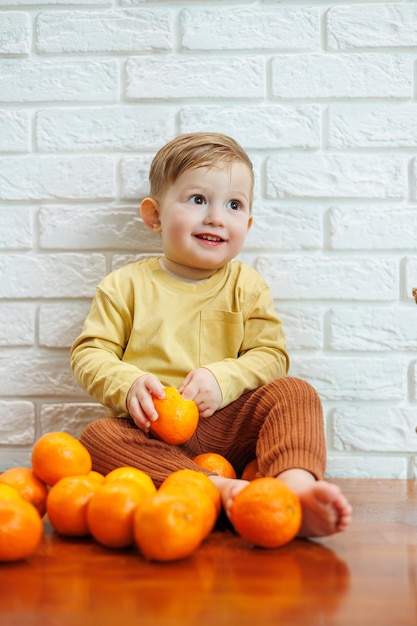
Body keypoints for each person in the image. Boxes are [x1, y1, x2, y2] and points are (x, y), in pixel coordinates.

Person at [71, 132, 352, 537]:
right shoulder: (124, 285)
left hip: (228, 425)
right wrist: (127, 384)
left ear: (248, 223)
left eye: (234, 205)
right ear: (154, 215)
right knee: (97, 437)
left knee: (295, 392)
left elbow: (271, 355)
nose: (216, 217)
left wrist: (223, 379)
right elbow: (90, 353)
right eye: (198, 199)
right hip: (152, 432)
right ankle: (218, 489)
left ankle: (294, 493)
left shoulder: (246, 285)